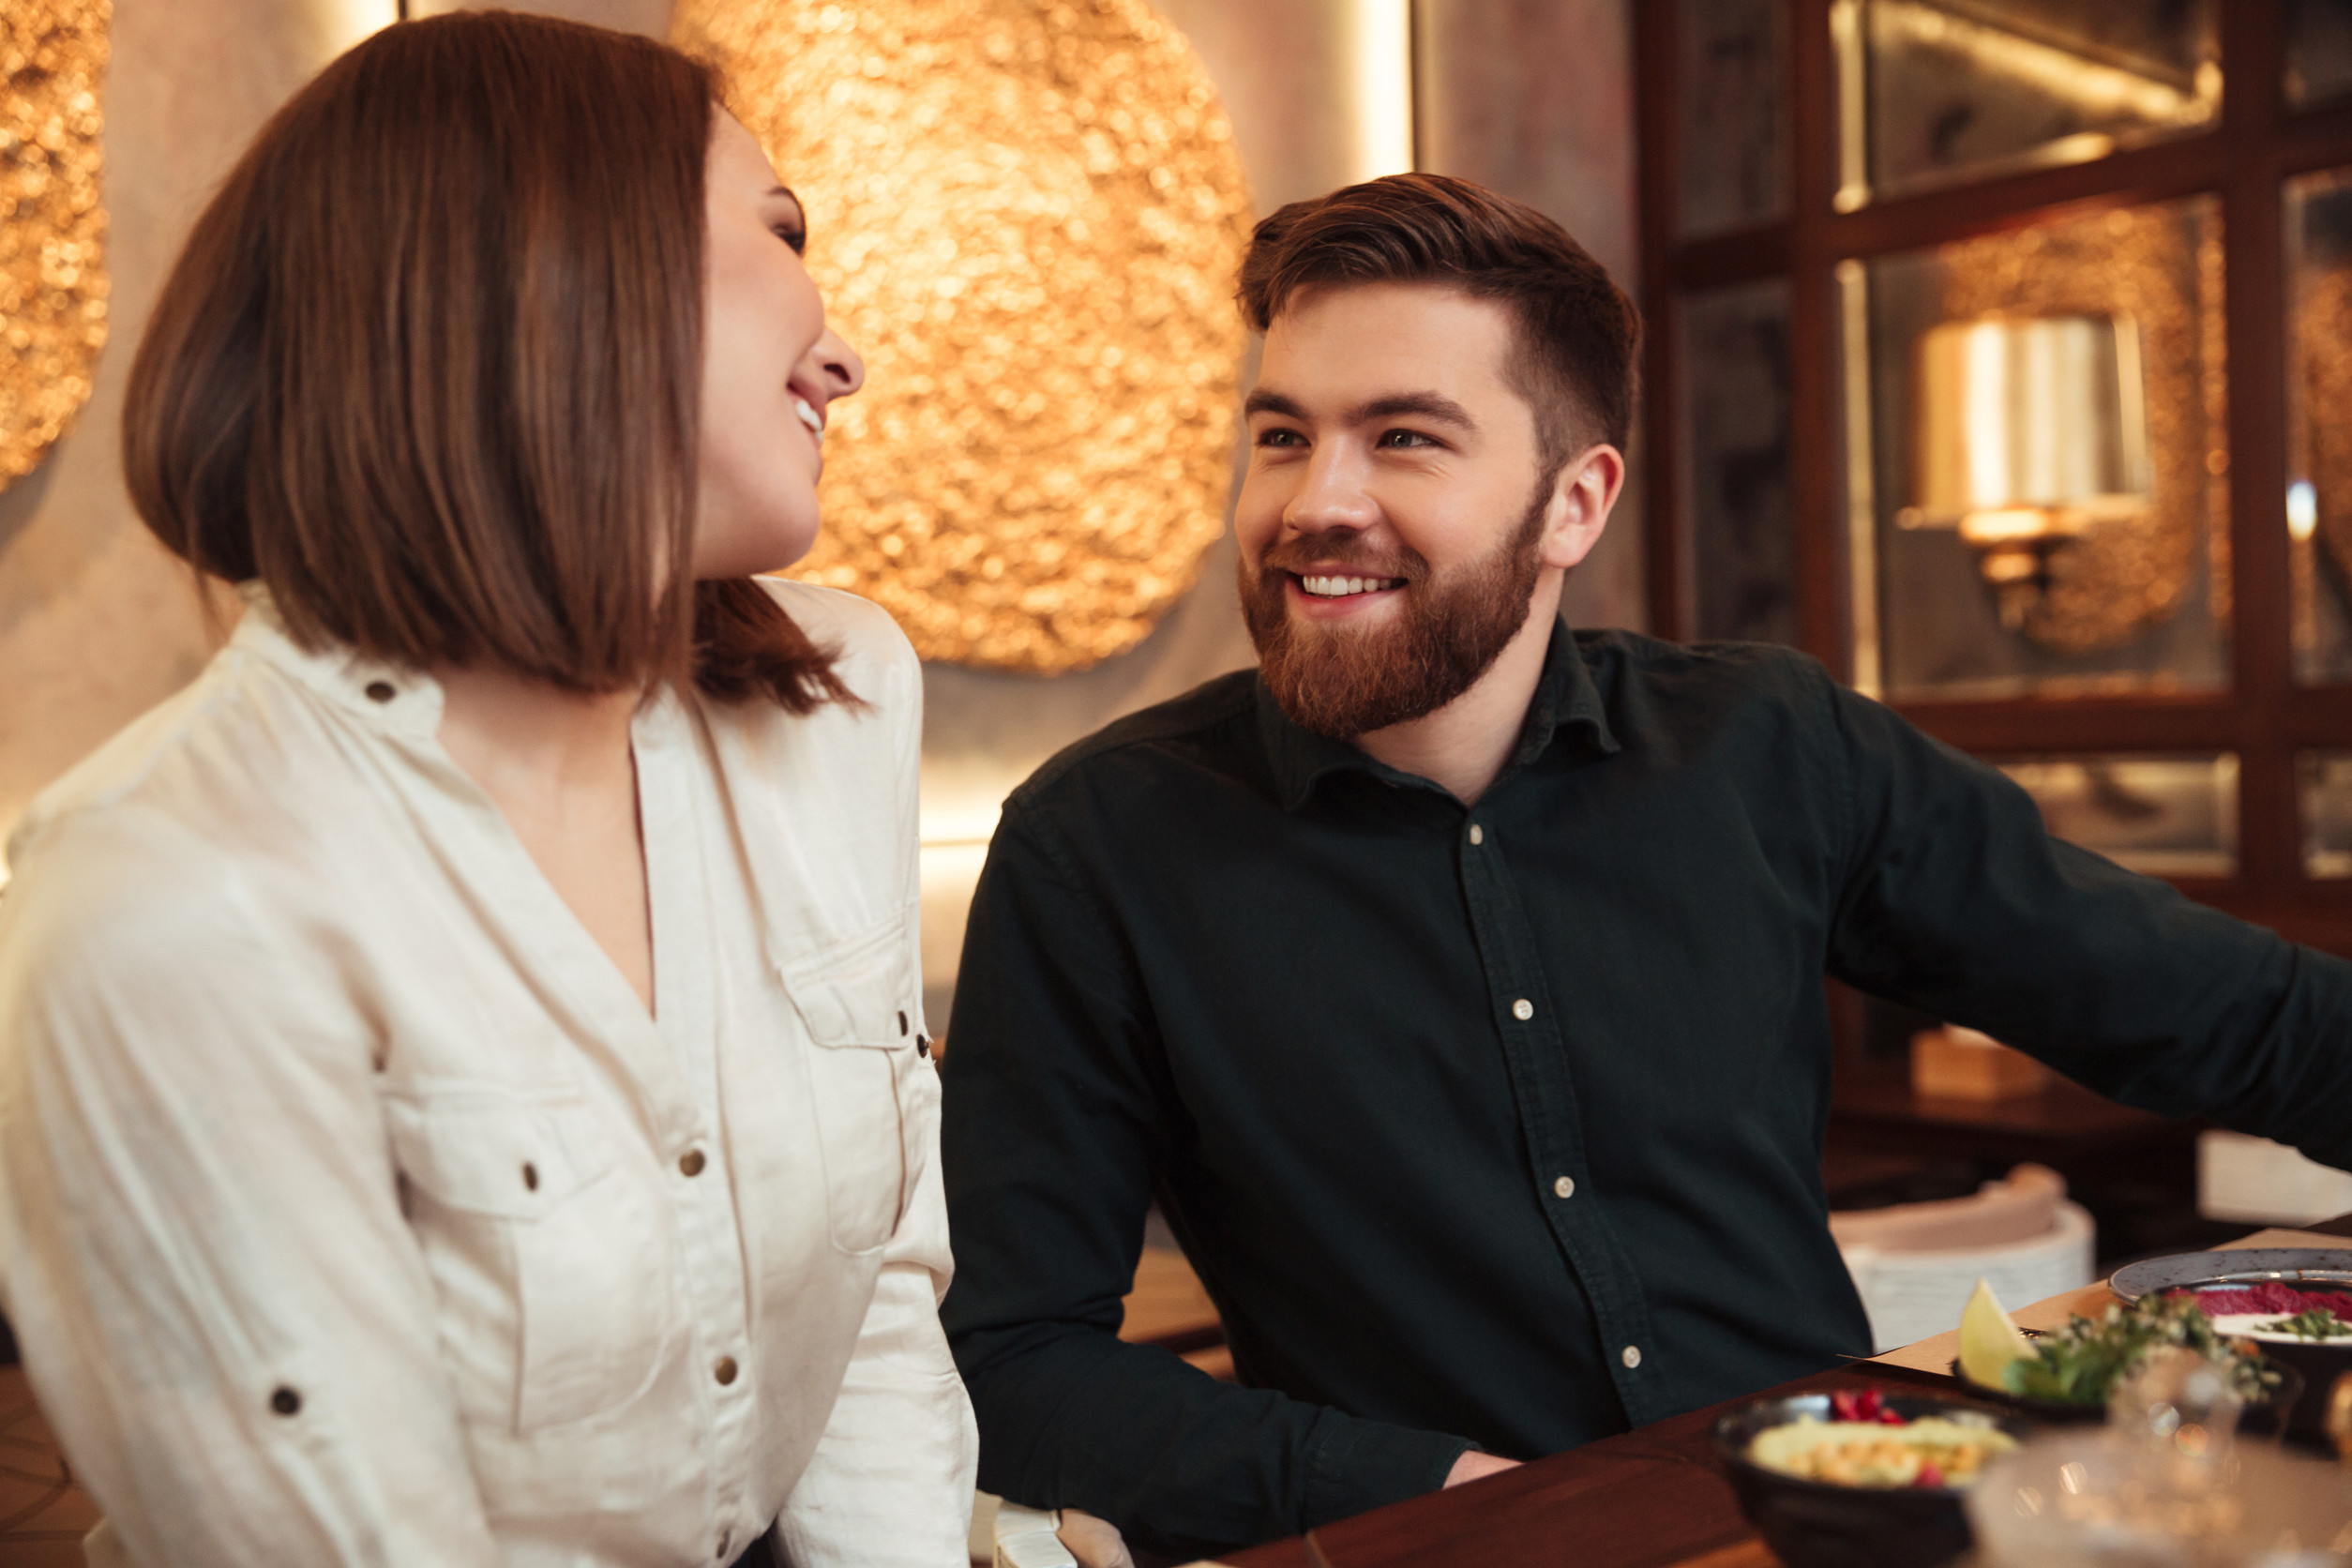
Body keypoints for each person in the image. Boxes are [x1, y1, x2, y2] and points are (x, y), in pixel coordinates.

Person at [937, 172, 2352, 1560]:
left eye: (1405, 438)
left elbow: (2225, 1016)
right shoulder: (1096, 843)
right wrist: (1439, 1487)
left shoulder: (1771, 747)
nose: (1318, 500)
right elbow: (1010, 1359)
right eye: (1283, 436)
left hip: (1834, 1525)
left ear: (1575, 502)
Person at [0, 13, 973, 1565]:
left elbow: (870, 1319)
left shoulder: (838, 697)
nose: (845, 355)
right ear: (565, 277)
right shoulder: (165, 896)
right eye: (781, 233)